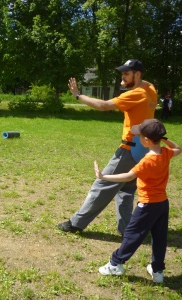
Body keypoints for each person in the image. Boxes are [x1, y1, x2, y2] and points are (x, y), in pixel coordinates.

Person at [58, 59, 158, 236]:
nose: (123, 77)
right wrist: (133, 79)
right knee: (125, 190)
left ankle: (76, 223)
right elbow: (149, 83)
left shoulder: (136, 94)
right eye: (123, 74)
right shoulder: (150, 91)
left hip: (129, 150)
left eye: (126, 74)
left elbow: (104, 106)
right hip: (142, 150)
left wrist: (78, 95)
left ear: (137, 74)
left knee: (102, 184)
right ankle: (127, 229)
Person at [94, 119, 181, 283]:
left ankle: (115, 264)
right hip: (162, 204)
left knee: (132, 235)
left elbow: (128, 176)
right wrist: (164, 139)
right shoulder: (165, 153)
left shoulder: (147, 161)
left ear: (146, 140)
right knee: (159, 237)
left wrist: (103, 176)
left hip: (147, 205)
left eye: (140, 136)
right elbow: (178, 149)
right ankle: (158, 271)